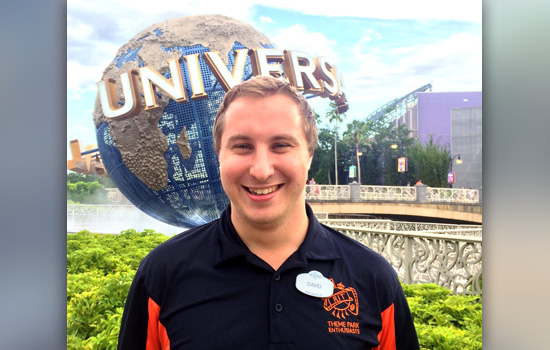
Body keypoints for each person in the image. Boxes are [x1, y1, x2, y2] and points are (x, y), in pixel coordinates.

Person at [117, 76, 419, 349]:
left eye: (281, 145)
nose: (261, 171)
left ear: (309, 154)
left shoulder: (372, 278)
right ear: (218, 156)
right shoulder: (163, 274)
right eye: (242, 146)